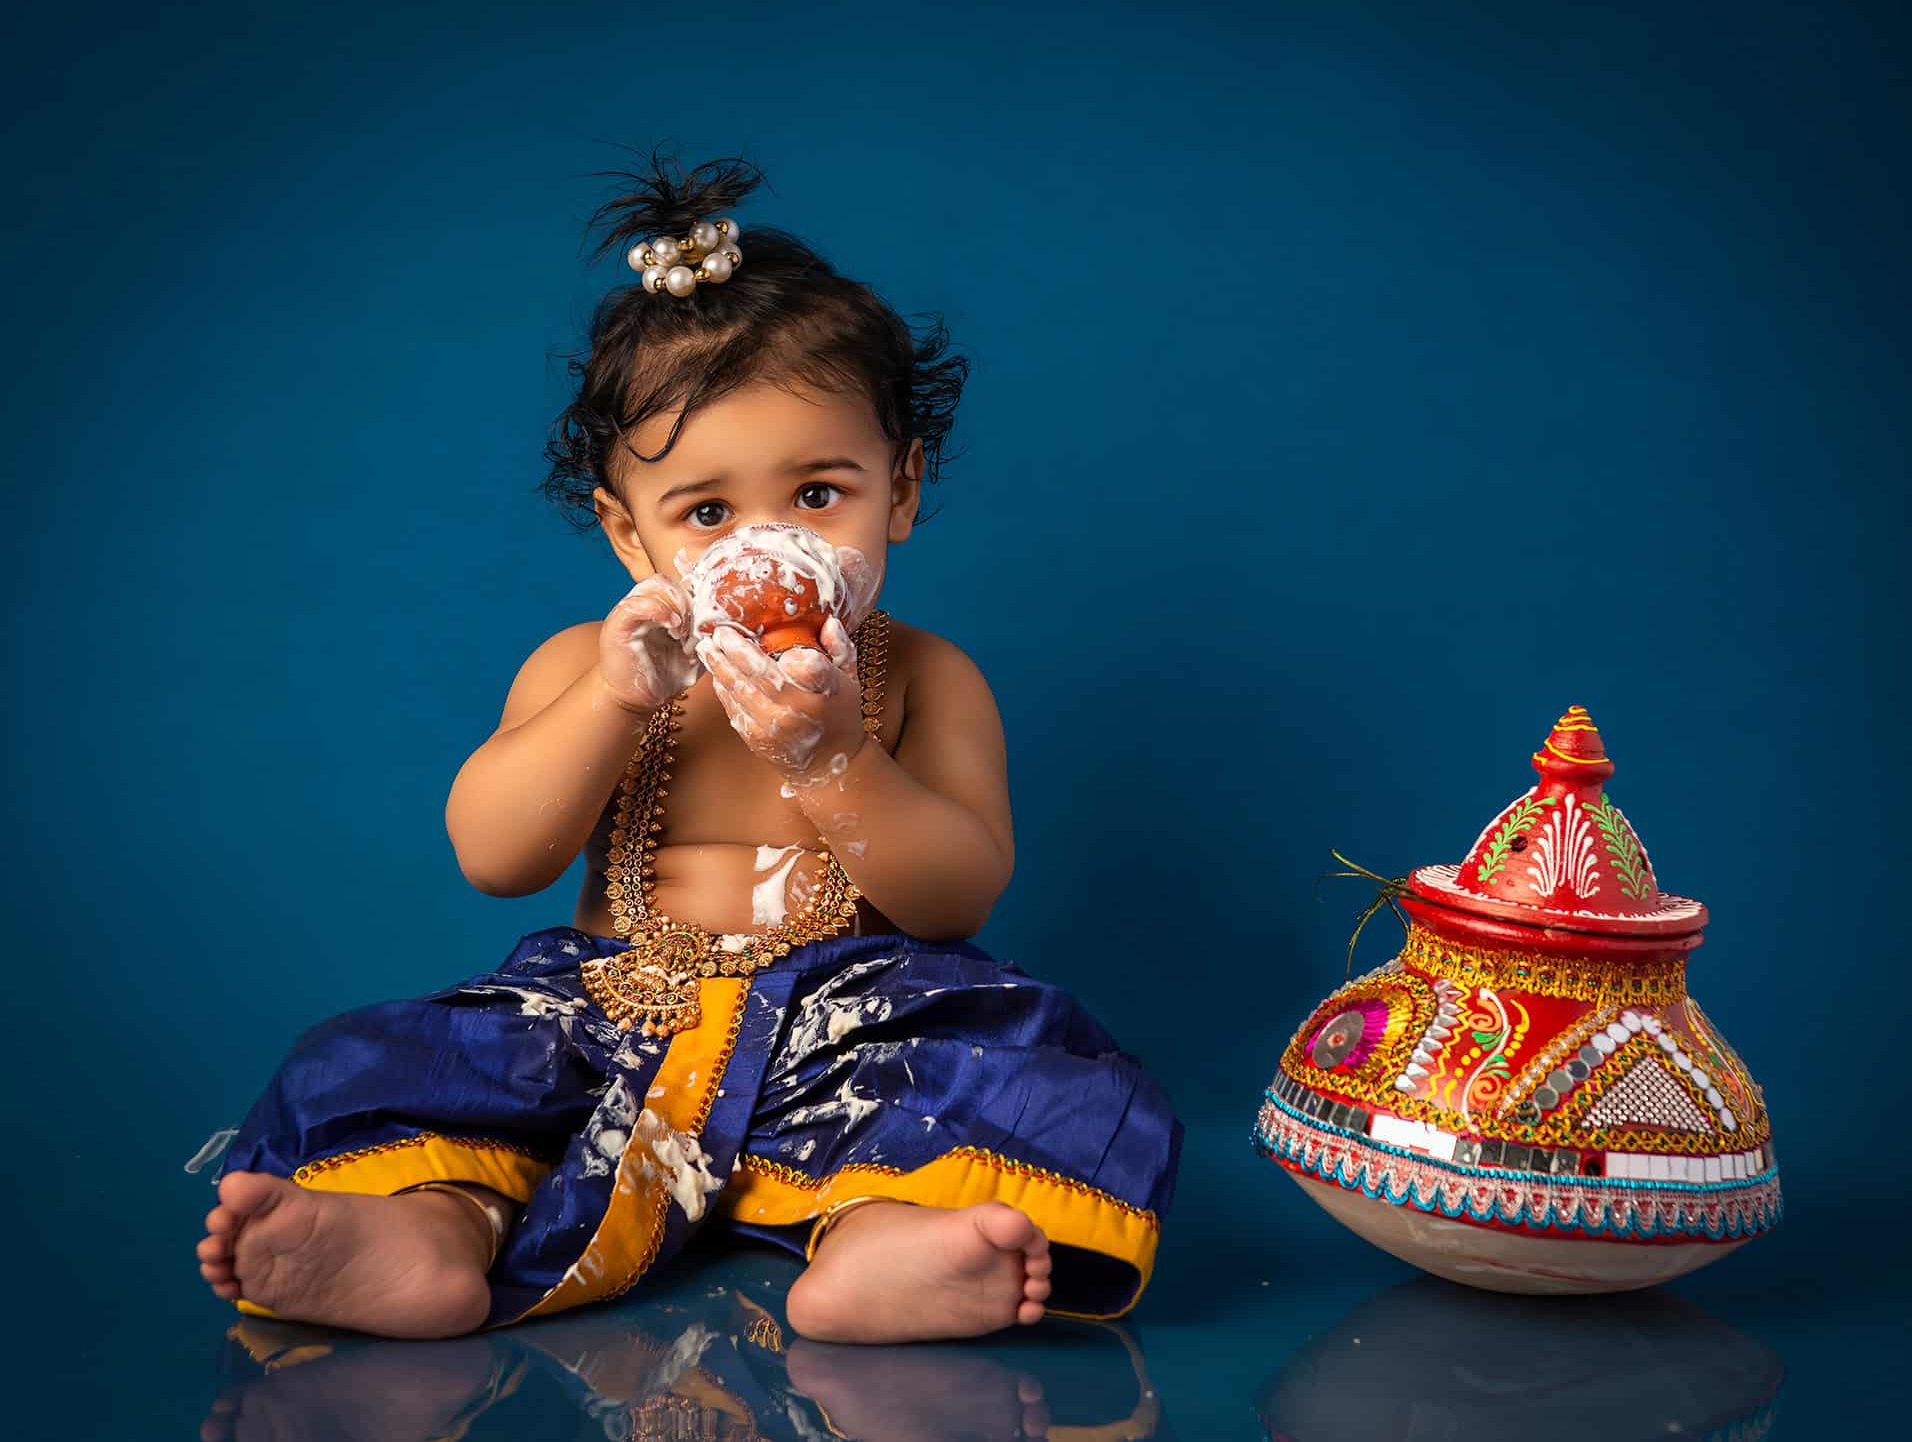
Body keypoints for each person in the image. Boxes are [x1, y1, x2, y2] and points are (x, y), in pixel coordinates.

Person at [193, 150, 1181, 1343]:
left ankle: (884, 1244)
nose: (764, 542)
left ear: (901, 491)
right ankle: (424, 1235)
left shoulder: (922, 675)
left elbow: (954, 899)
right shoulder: (588, 666)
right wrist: (608, 703)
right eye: (706, 513)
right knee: (401, 1067)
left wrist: (836, 761)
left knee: (1030, 1075)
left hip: (846, 1038)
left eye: (819, 494)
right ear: (628, 536)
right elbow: (495, 857)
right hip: (603, 1016)